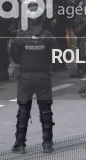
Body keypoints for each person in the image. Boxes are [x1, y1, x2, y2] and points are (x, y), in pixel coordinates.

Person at [10, 11, 56, 154]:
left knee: (23, 110)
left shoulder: (21, 37)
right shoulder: (48, 37)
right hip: (43, 76)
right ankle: (47, 143)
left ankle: (20, 144)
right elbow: (54, 55)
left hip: (25, 76)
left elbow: (14, 56)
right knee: (46, 111)